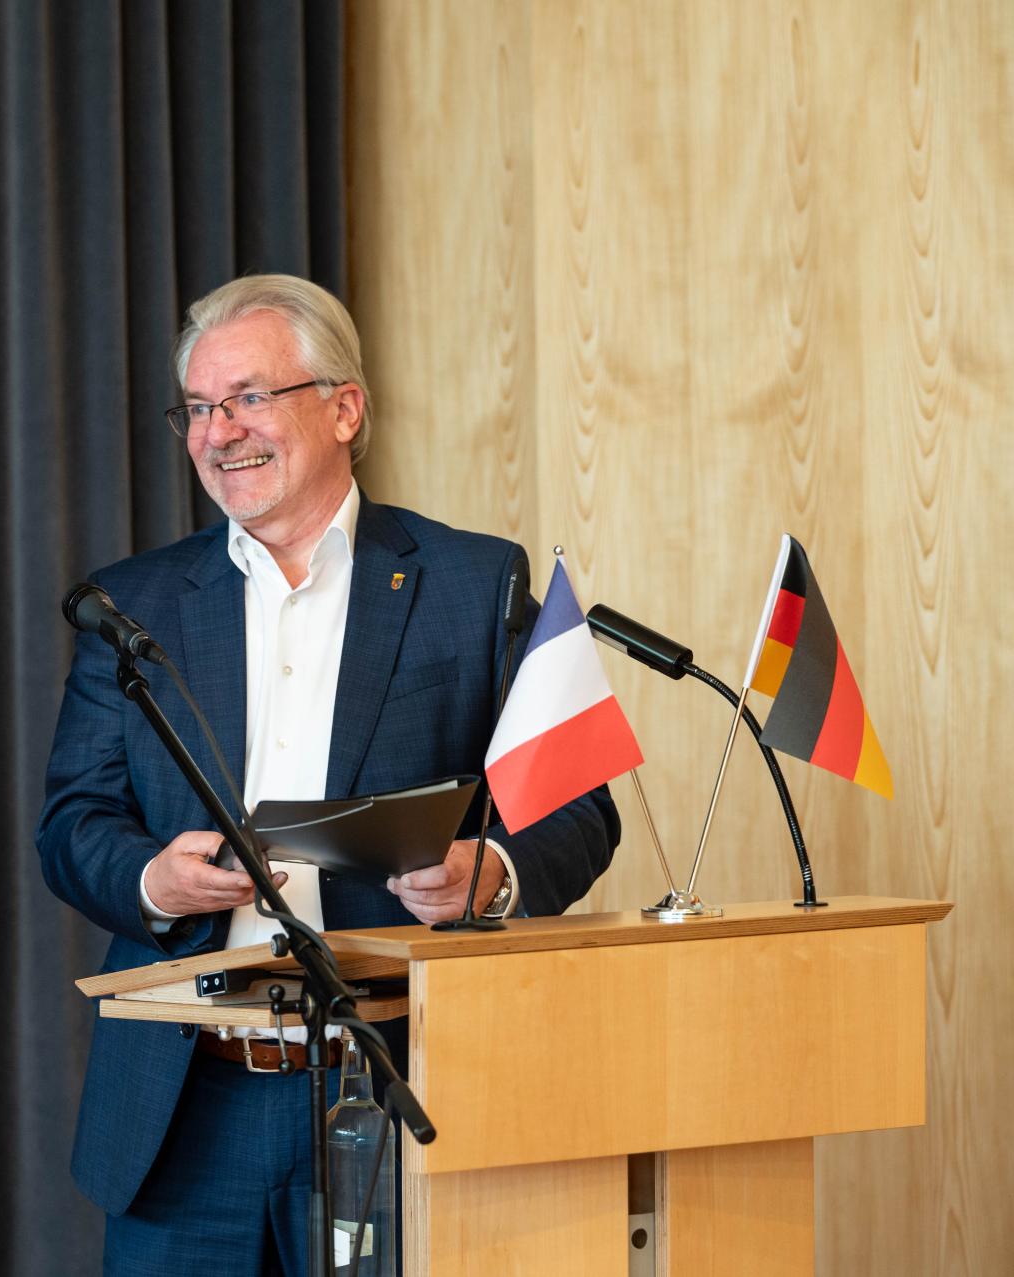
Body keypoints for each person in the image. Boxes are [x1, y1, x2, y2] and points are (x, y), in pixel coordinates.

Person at [36, 275, 621, 1274]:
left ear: (344, 406)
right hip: (187, 1107)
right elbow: (72, 822)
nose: (221, 432)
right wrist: (149, 878)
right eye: (201, 408)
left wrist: (493, 870)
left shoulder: (476, 581)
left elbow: (580, 802)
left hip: (400, 1080)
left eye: (251, 396)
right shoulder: (132, 606)